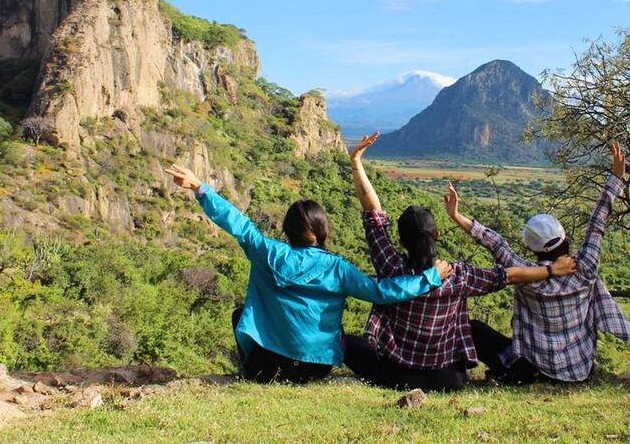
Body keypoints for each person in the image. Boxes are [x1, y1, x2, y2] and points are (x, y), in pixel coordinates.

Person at [164, 163, 452, 385]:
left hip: (265, 366)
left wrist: (200, 187)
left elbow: (237, 223)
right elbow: (383, 292)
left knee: (240, 314)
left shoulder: (268, 253)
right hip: (316, 368)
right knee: (355, 342)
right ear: (322, 231)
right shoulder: (337, 268)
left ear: (288, 230)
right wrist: (431, 277)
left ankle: (247, 369)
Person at [343, 133, 578, 392]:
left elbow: (373, 213)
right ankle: (516, 367)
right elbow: (509, 275)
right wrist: (550, 270)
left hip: (397, 375)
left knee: (349, 344)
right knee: (475, 328)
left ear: (400, 241)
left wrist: (356, 162)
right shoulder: (458, 276)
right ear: (438, 235)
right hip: (447, 379)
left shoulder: (390, 265)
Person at [449, 142, 630, 384]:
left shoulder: (527, 277)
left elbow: (495, 243)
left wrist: (456, 216)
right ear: (565, 237)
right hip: (578, 370)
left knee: (473, 329)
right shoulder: (586, 268)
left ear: (531, 249)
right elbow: (597, 221)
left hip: (535, 369)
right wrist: (616, 177)